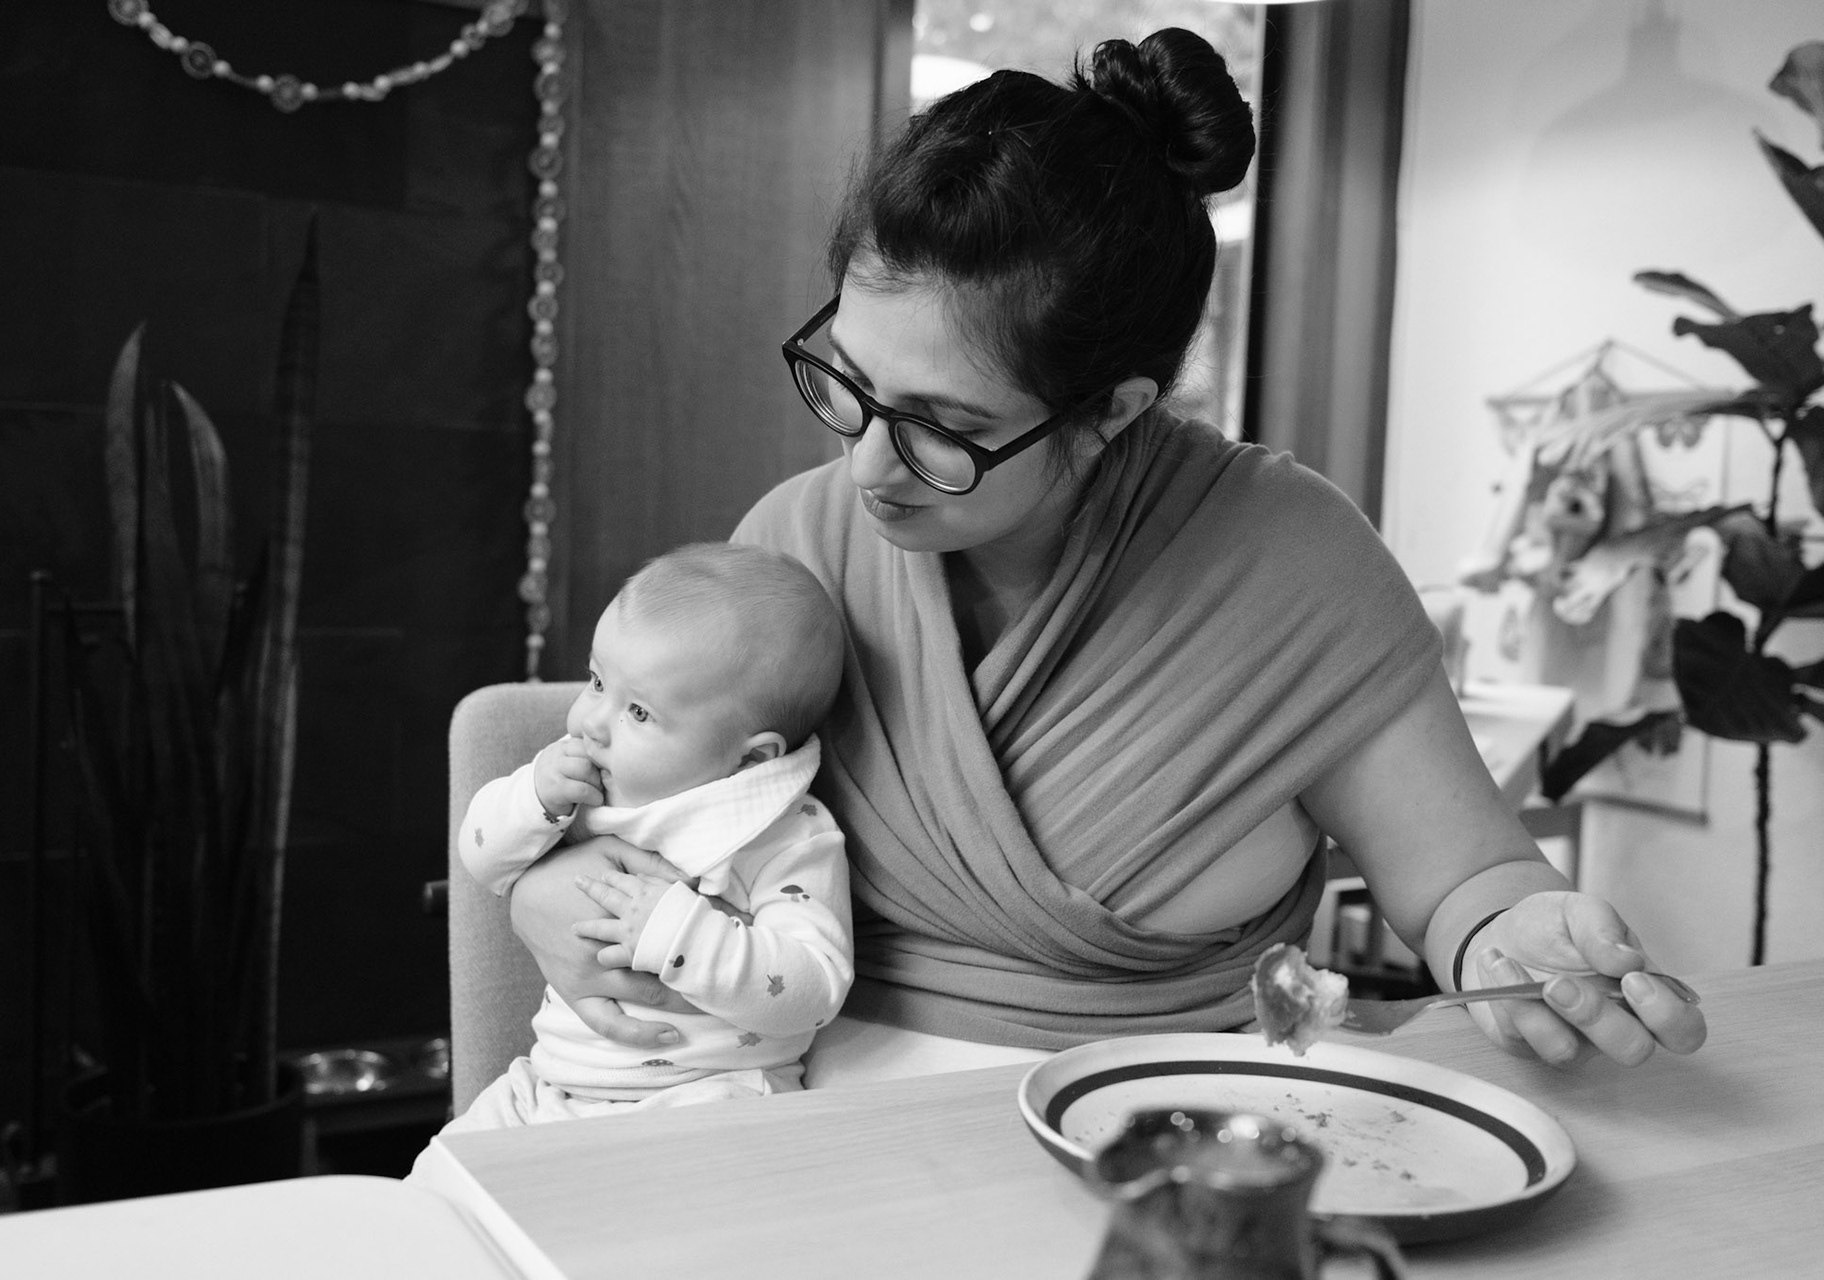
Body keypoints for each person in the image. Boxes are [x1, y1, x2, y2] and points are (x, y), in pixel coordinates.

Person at [511, 28, 1706, 1078]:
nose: (868, 465)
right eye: (852, 383)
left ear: (1113, 410)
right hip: (784, 1121)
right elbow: (632, 807)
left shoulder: (1292, 564)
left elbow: (1461, 881)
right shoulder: (791, 553)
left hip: (1155, 1135)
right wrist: (540, 887)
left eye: (943, 428)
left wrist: (1512, 938)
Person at [414, 542, 851, 1172]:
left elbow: (814, 987)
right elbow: (481, 860)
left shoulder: (784, 836)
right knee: (438, 1183)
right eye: (597, 682)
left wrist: (680, 931)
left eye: (639, 711)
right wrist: (532, 799)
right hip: (549, 1084)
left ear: (751, 758)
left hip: (708, 1097)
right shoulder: (584, 781)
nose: (592, 722)